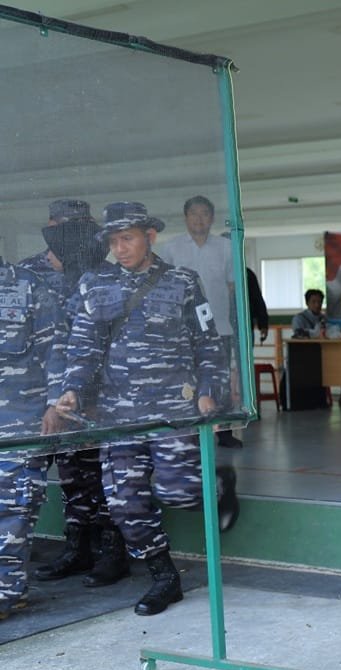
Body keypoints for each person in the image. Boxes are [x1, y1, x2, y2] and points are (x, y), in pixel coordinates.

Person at [55, 201, 240, 615]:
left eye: (128, 238)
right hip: (118, 414)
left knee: (180, 491)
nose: (119, 248)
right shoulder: (93, 284)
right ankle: (164, 577)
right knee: (125, 502)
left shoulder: (183, 282)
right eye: (113, 241)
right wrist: (72, 390)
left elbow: (209, 341)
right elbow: (82, 348)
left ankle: (218, 483)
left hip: (171, 408)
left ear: (150, 237)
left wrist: (210, 389)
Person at [18, 200, 130, 588]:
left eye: (82, 227)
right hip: (47, 393)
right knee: (70, 476)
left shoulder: (106, 273)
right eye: (66, 226)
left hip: (95, 392)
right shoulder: (28, 273)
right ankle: (78, 548)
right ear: (51, 227)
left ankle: (112, 553)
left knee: (103, 473)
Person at [0, 260, 67, 620]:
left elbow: (55, 349)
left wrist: (54, 405)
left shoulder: (28, 286)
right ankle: (13, 590)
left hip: (20, 422)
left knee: (12, 509)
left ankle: (4, 594)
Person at [159, 196, 243, 447]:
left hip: (220, 327)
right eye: (194, 213)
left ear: (212, 217)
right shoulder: (171, 248)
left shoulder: (226, 248)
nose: (199, 218)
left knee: (221, 380)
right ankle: (190, 430)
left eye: (204, 213)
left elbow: (230, 285)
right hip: (183, 332)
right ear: (186, 218)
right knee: (187, 378)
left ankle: (224, 431)